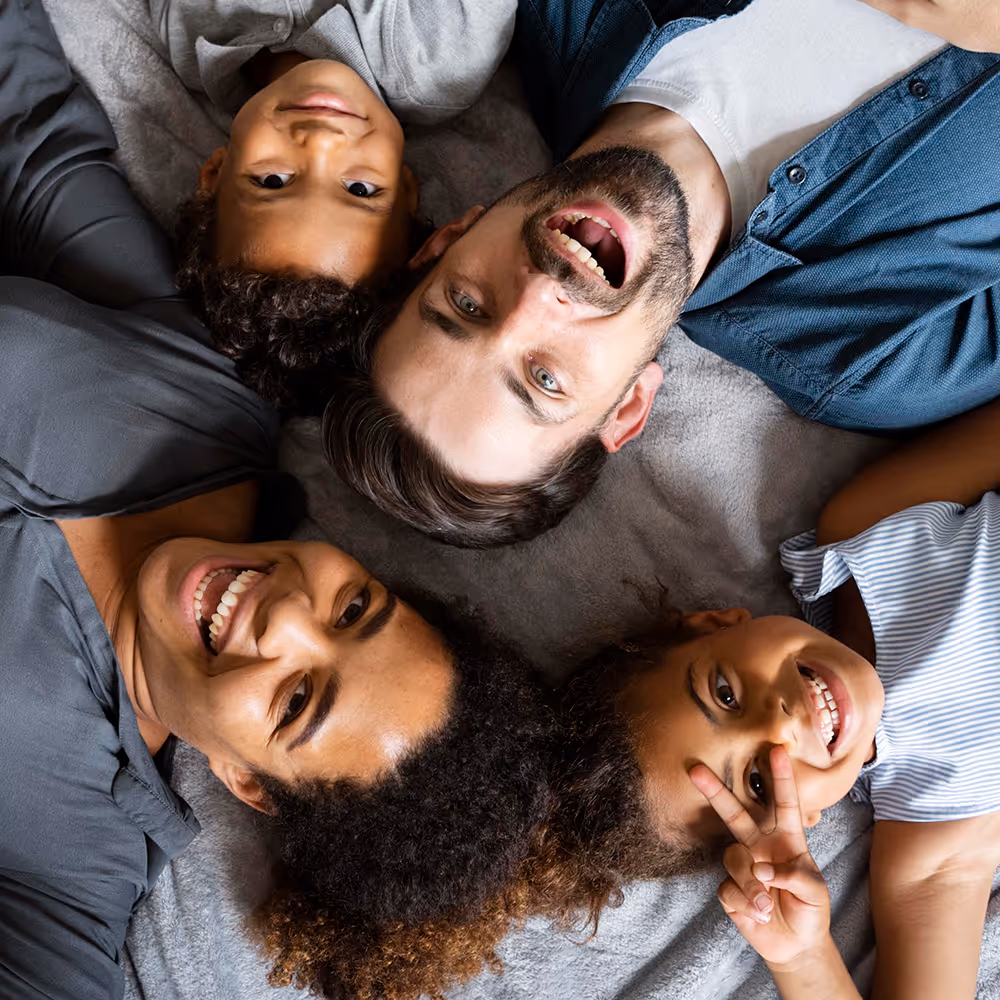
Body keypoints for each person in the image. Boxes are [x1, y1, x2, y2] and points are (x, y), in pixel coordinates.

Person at [0, 4, 553, 998]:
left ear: (247, 781)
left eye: (298, 699)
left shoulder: (74, 847)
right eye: (356, 609)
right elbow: (31, 130)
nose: (286, 614)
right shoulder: (206, 406)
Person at [302, 0, 1000, 547]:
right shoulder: (878, 357)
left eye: (467, 304)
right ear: (630, 405)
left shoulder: (567, 15)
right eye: (544, 379)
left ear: (449, 239)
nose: (536, 298)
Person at [563, 395, 1000, 999]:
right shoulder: (935, 837)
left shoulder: (867, 529)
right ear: (807, 821)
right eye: (760, 784)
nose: (779, 720)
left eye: (723, 692)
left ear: (713, 624)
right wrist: (802, 955)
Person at [161, 0, 515, 407]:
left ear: (215, 174)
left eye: (273, 181)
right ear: (406, 189)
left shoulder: (191, 32)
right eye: (360, 189)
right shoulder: (443, 57)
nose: (322, 142)